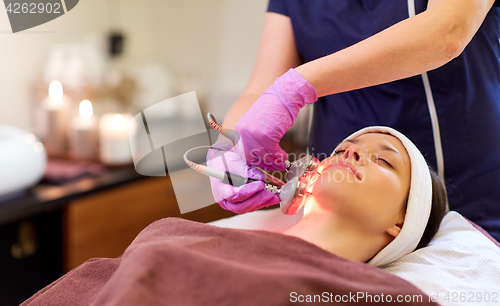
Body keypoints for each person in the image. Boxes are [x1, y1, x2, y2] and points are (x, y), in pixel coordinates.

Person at [22, 128, 447, 306]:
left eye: (385, 162)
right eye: (341, 149)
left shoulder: (378, 296)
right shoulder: (174, 233)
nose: (352, 151)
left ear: (400, 223)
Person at [212, 0, 500, 241]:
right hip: (334, 215)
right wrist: (231, 149)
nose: (351, 151)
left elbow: (447, 32)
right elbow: (257, 90)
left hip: (467, 199)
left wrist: (297, 86)